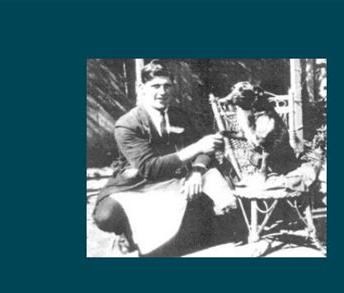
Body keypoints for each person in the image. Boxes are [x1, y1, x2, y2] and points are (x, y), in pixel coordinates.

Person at [93, 60, 236, 257]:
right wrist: (197, 147)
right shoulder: (127, 124)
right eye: (155, 86)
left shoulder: (179, 116)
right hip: (138, 184)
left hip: (174, 179)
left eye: (167, 86)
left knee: (197, 229)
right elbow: (150, 168)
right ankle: (127, 232)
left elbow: (206, 148)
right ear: (142, 88)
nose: (162, 92)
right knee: (106, 216)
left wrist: (197, 171)